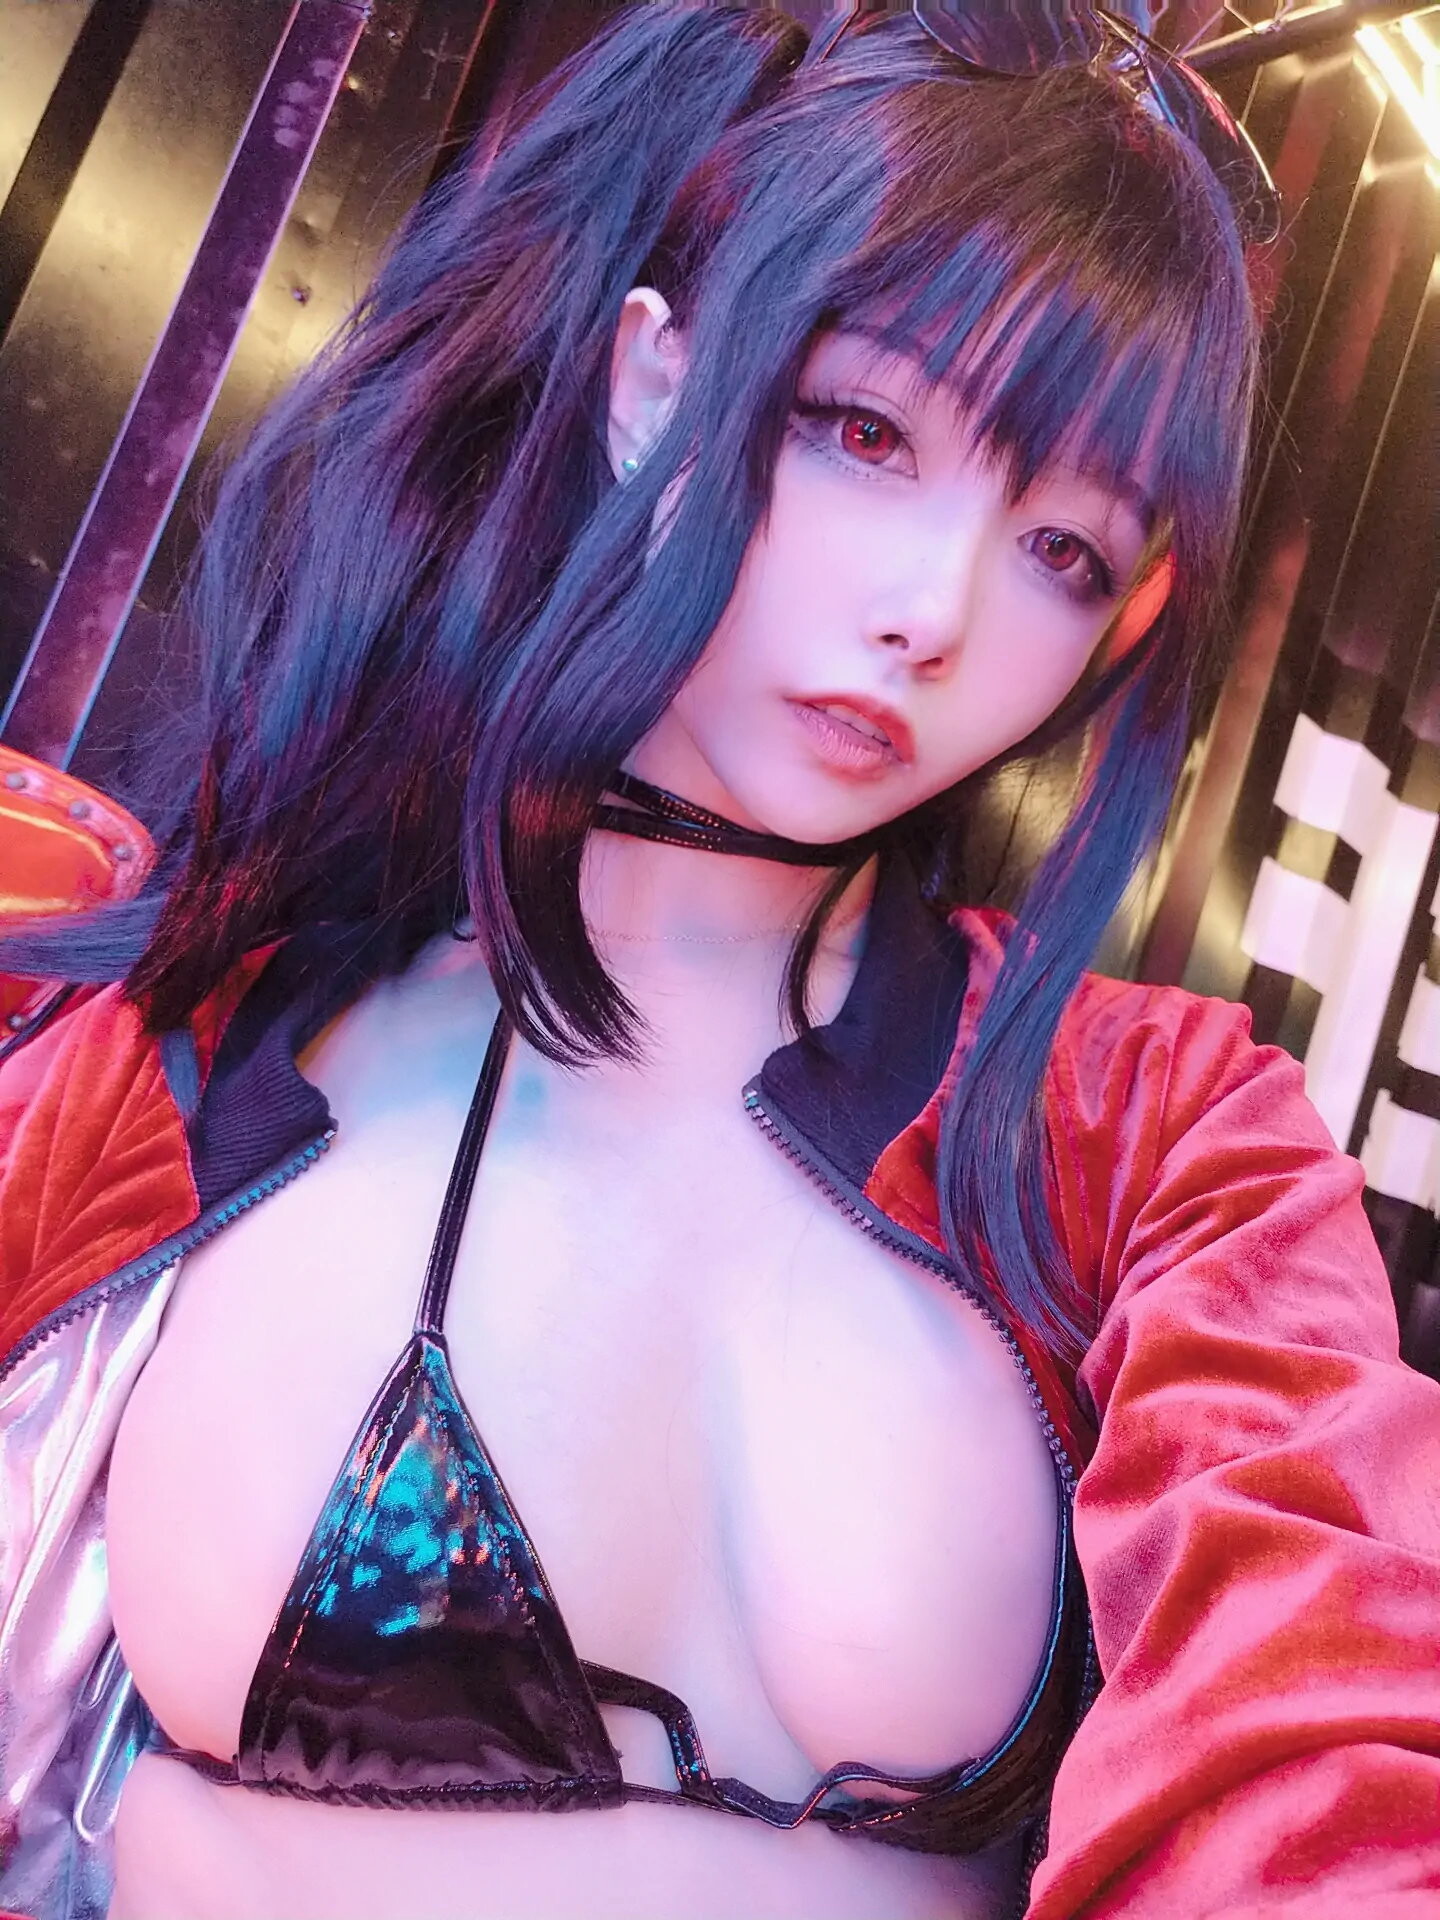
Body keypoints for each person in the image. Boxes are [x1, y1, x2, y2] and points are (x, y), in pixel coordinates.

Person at [1, 4, 1437, 1917]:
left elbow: (1320, 1719)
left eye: (1065, 552)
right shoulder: (174, 1056)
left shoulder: (1153, 1136)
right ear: (653, 381)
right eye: (865, 432)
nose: (935, 610)